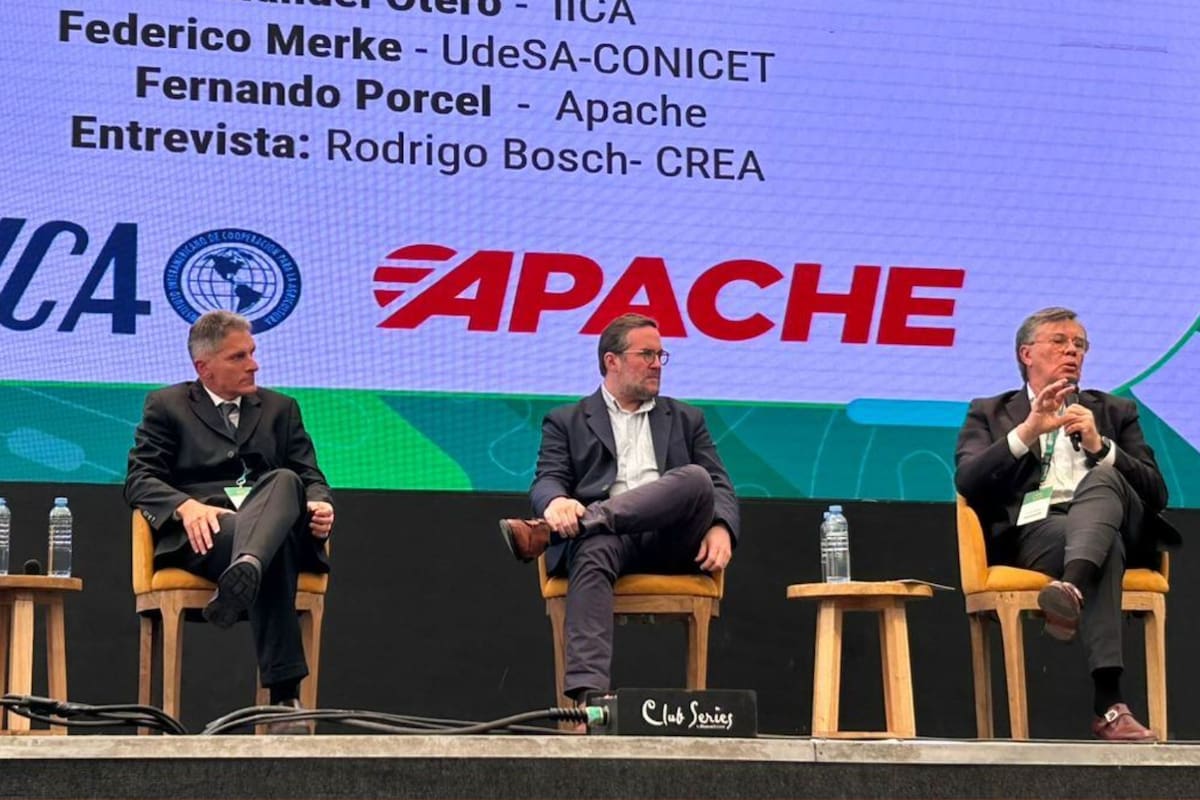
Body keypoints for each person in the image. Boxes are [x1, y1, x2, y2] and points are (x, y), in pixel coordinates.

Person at [955, 306, 1180, 742]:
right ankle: (1110, 707)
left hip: (1118, 516)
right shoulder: (990, 412)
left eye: (1079, 345)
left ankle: (1069, 589)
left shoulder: (1115, 410)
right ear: (1026, 353)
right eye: (1059, 341)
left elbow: (1157, 492)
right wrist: (1026, 432)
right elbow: (969, 480)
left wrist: (1102, 446)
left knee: (1103, 477)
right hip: (1041, 532)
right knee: (1103, 546)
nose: (1071, 351)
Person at [499, 313, 739, 706]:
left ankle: (564, 527)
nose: (657, 363)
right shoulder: (567, 421)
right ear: (611, 360)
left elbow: (719, 485)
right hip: (609, 544)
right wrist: (557, 502)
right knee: (592, 550)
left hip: (673, 541)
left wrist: (722, 527)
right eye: (646, 354)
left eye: (661, 355)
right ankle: (588, 698)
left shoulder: (686, 419)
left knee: (694, 478)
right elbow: (547, 479)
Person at [124, 310, 334, 733]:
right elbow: (139, 479)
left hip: (270, 527)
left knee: (285, 480)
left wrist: (320, 502)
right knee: (273, 549)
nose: (254, 364)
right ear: (204, 367)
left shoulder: (281, 408)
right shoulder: (167, 405)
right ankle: (283, 702)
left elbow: (310, 476)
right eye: (239, 357)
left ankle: (248, 568)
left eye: (253, 353)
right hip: (207, 536)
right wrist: (186, 506)